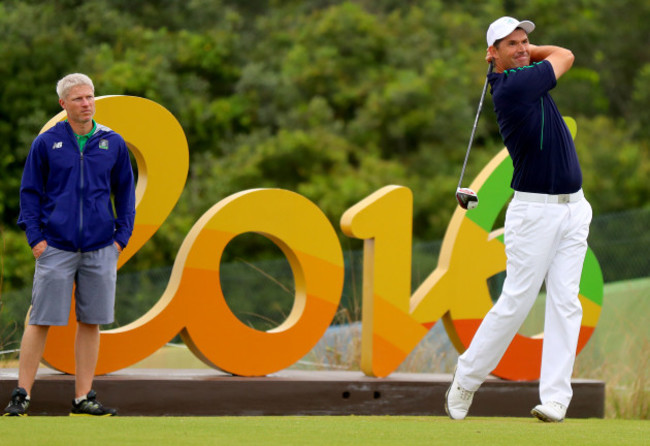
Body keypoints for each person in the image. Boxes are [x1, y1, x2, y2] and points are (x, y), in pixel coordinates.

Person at [445, 17, 593, 422]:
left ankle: (556, 399)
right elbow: (565, 55)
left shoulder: (524, 74)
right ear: (492, 53)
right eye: (511, 44)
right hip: (535, 213)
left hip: (574, 208)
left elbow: (548, 58)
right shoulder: (513, 87)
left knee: (566, 303)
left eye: (525, 41)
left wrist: (522, 52)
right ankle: (467, 377)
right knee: (516, 303)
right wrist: (531, 53)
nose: (523, 48)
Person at [3, 73, 136, 416]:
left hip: (101, 247)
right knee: (40, 319)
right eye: (78, 98)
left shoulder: (113, 142)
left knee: (91, 321)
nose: (87, 103)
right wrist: (36, 240)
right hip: (55, 247)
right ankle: (22, 395)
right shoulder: (46, 143)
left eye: (90, 97)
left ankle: (83, 397)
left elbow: (125, 195)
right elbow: (29, 195)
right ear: (63, 104)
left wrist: (120, 239)